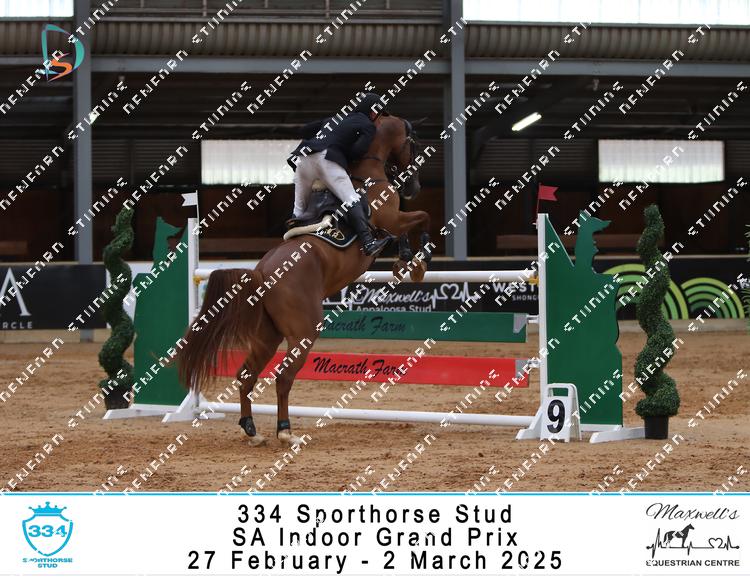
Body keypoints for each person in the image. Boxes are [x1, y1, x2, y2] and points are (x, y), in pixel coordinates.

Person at [287, 92, 391, 256]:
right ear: (373, 113)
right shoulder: (368, 125)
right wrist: (343, 154)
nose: (379, 121)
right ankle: (368, 242)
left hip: (304, 157)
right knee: (352, 199)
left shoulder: (336, 118)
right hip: (327, 158)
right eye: (379, 116)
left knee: (299, 208)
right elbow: (358, 151)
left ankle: (291, 242)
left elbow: (304, 130)